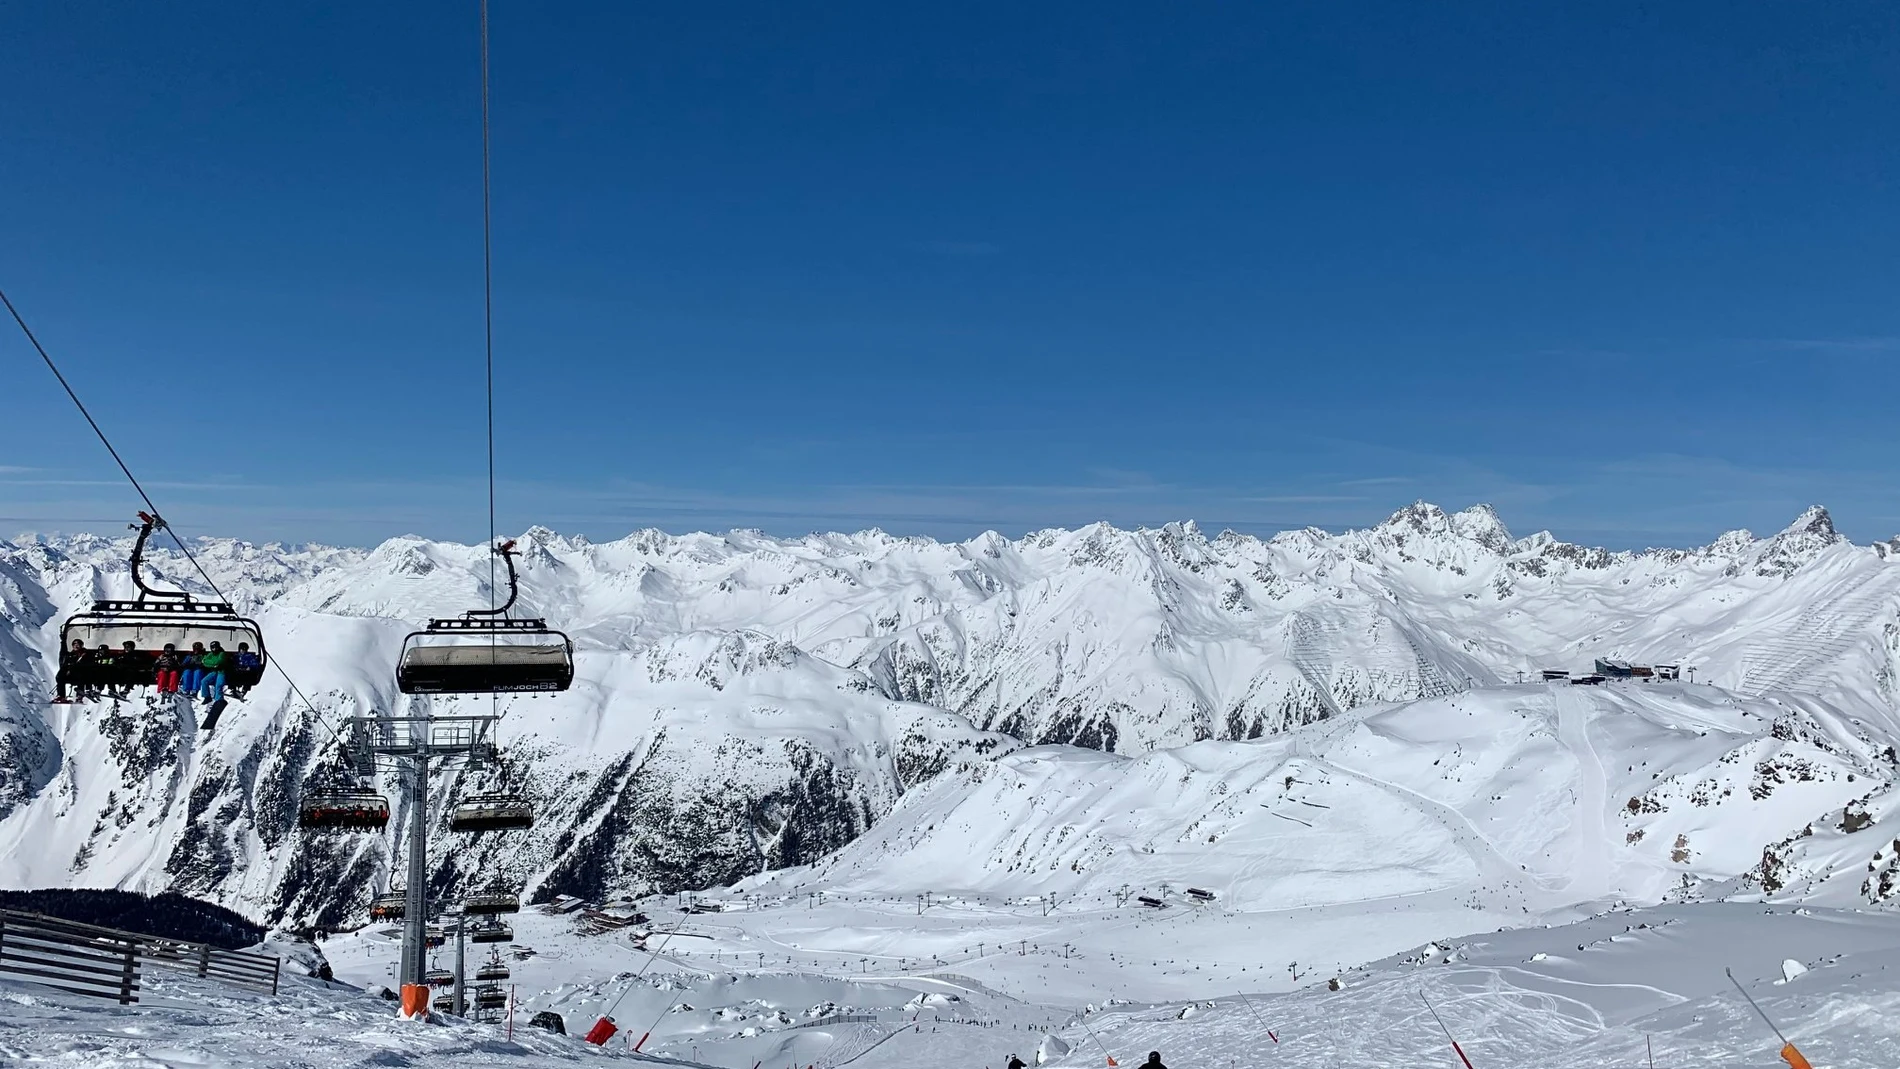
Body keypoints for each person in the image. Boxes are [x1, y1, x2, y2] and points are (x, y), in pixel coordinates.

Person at [53, 638, 89, 703]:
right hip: (71, 674)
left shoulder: (84, 654)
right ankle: (61, 696)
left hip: (81, 673)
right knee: (60, 676)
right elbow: (64, 658)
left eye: (78, 645)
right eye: (74, 644)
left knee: (82, 674)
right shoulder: (70, 655)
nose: (76, 646)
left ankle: (79, 696)